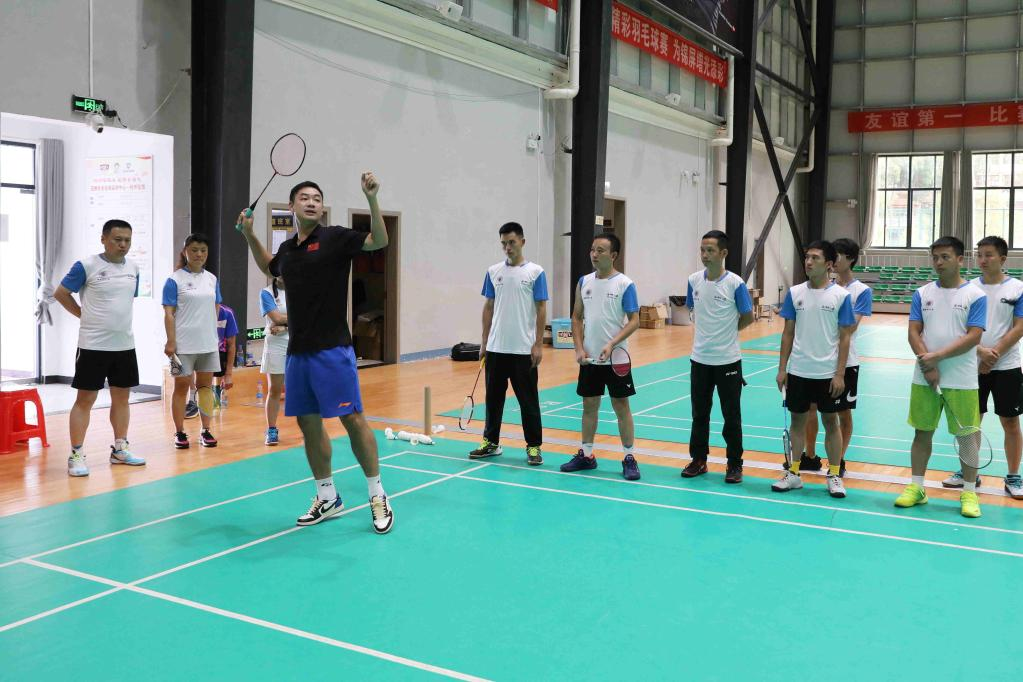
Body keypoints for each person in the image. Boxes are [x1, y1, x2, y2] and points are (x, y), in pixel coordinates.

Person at [238, 174, 394, 533]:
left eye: (317, 198)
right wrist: (248, 233)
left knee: (352, 419)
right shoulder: (288, 251)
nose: (311, 202)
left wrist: (372, 199)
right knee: (309, 425)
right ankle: (327, 496)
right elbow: (269, 266)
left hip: (332, 349)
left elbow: (379, 240)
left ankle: (377, 493)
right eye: (304, 198)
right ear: (291, 206)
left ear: (322, 208)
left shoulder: (335, 238)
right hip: (297, 352)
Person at [894, 236, 987, 518]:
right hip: (925, 377)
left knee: (967, 437)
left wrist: (937, 357)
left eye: (945, 257)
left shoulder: (975, 296)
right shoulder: (922, 293)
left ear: (960, 259)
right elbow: (913, 331)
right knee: (922, 432)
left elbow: (974, 336)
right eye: (935, 257)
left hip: (962, 379)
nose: (938, 262)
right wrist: (928, 363)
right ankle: (917, 487)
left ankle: (969, 492)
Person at [54, 219, 146, 476]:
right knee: (85, 399)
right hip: (93, 346)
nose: (123, 245)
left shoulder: (134, 268)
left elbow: (123, 302)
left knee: (122, 398)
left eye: (127, 240)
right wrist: (82, 314)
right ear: (104, 239)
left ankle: (120, 449)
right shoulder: (86, 266)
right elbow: (61, 293)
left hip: (124, 345)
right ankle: (76, 454)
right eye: (118, 240)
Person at [942, 236, 1023, 499]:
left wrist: (993, 355)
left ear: (1003, 258)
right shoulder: (968, 289)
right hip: (970, 366)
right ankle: (970, 472)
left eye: (988, 255)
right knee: (971, 423)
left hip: (1007, 366)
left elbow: (1019, 327)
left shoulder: (1018, 289)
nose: (982, 260)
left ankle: (1013, 475)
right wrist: (981, 353)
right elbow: (959, 328)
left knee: (1010, 421)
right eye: (979, 255)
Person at [773, 240, 855, 498]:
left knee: (831, 422)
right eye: (807, 257)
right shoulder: (795, 292)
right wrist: (782, 368)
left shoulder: (841, 296)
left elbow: (845, 337)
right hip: (799, 371)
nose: (808, 262)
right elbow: (788, 333)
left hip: (827, 373)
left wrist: (840, 373)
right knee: (798, 422)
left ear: (829, 264)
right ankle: (794, 473)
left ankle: (834, 474)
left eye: (815, 258)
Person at [560, 233, 642, 480]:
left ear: (613, 255)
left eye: (600, 251)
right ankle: (587, 455)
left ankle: (629, 457)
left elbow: (634, 320)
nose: (594, 255)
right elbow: (576, 317)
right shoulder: (584, 281)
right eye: (592, 250)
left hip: (617, 358)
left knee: (621, 406)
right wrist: (578, 348)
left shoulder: (625, 284)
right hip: (590, 358)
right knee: (589, 405)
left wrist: (611, 343)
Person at [469, 222, 548, 466]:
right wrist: (484, 342)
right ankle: (491, 442)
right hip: (496, 349)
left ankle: (533, 446)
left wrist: (538, 344)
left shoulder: (536, 272)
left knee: (528, 401)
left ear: (522, 242)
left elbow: (541, 308)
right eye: (504, 243)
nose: (507, 247)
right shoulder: (493, 271)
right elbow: (488, 307)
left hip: (523, 350)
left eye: (512, 242)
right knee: (493, 400)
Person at [682, 230, 754, 483]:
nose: (705, 255)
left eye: (710, 250)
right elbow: (693, 308)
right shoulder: (693, 280)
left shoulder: (735, 283)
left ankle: (734, 464)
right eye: (702, 250)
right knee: (699, 415)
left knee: (731, 417)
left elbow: (748, 316)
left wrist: (728, 333)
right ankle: (698, 460)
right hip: (699, 360)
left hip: (728, 361)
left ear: (723, 253)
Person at [801, 238, 872, 477]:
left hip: (846, 361)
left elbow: (850, 328)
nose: (834, 260)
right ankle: (810, 456)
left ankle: (838, 460)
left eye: (838, 255)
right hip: (818, 361)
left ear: (850, 259)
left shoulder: (861, 291)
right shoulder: (822, 286)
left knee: (843, 413)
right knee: (810, 409)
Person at [162, 233, 221, 449]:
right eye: (194, 250)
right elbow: (169, 314)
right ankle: (179, 432)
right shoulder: (174, 280)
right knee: (181, 387)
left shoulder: (212, 279)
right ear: (185, 252)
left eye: (203, 250)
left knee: (205, 387)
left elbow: (215, 307)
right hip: (183, 345)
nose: (199, 254)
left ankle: (206, 430)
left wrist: (213, 334)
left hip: (208, 344)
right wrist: (171, 342)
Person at [260, 275, 288, 445]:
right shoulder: (267, 293)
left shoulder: (300, 288)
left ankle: (309, 428)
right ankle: (271, 429)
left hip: (299, 342)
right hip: (276, 345)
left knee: (303, 388)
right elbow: (275, 318)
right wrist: (292, 320)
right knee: (275, 389)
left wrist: (284, 326)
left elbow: (308, 317)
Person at [213, 302, 238, 407]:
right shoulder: (197, 311)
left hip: (219, 354)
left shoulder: (227, 313)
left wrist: (228, 375)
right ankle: (193, 400)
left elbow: (231, 345)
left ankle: (217, 400)